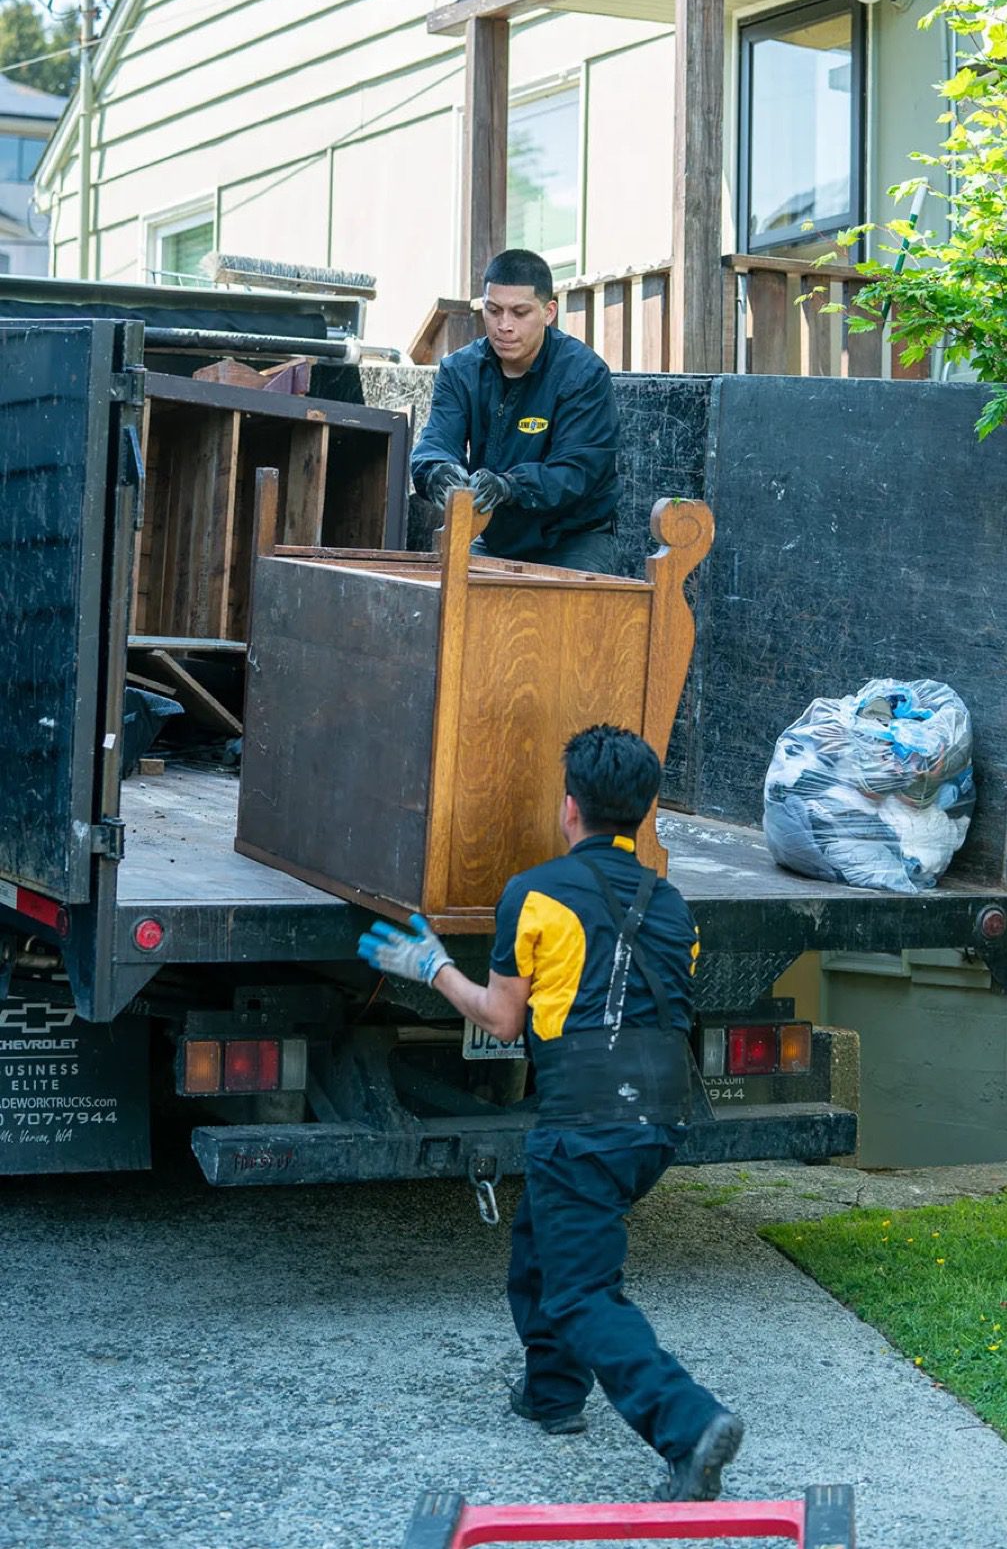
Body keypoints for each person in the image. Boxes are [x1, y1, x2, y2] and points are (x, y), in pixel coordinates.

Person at [357, 724, 744, 1501]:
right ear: (647, 811)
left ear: (570, 807)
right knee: (544, 1239)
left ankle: (689, 1423)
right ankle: (553, 1393)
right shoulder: (675, 907)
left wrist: (433, 967)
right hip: (662, 1116)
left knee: (579, 1289)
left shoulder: (534, 893)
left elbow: (502, 1020)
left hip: (587, 1117)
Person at [409, 247, 621, 573]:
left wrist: (510, 486)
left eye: (519, 313)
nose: (504, 325)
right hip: (493, 536)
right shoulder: (459, 370)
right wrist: (435, 470)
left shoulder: (584, 374)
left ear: (549, 312)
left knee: (564, 606)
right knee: (444, 591)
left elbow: (577, 472)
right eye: (493, 311)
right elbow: (437, 440)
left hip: (574, 539)